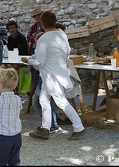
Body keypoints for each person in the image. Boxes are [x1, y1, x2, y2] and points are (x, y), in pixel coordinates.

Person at [23, 11, 86, 140]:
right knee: (43, 100)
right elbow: (66, 51)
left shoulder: (44, 38)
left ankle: (79, 127)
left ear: (42, 23)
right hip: (59, 72)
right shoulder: (62, 35)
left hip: (50, 75)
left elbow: (40, 61)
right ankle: (45, 128)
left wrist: (27, 60)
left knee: (61, 102)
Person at [0, 68, 22, 166]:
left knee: (1, 161)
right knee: (14, 160)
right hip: (17, 136)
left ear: (1, 85)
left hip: (4, 137)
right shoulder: (18, 99)